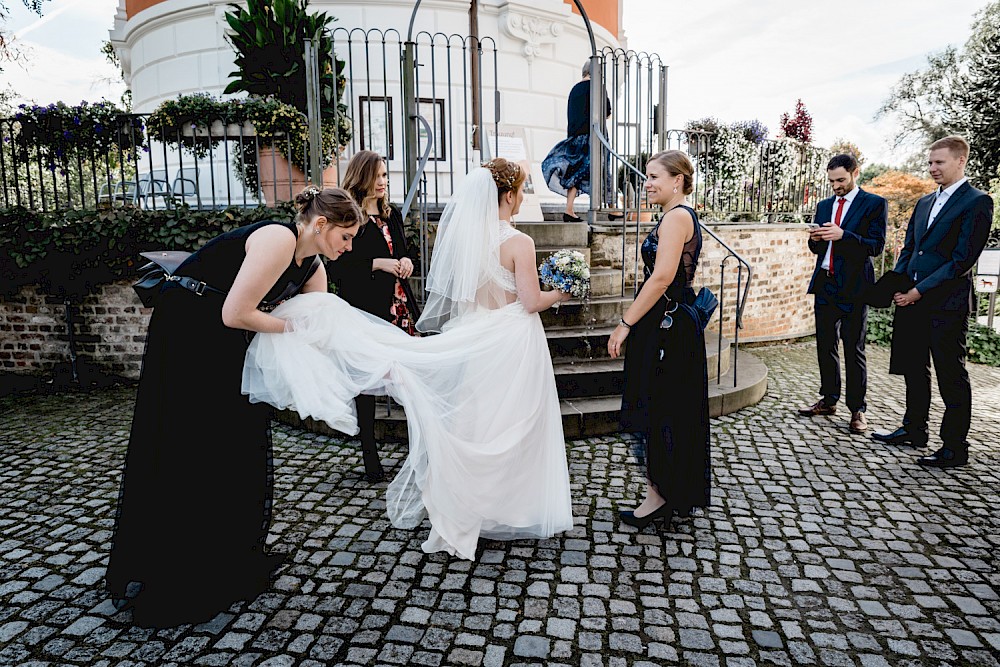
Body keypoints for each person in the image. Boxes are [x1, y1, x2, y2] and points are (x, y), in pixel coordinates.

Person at [242, 158, 575, 560]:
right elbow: (530, 301)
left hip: (475, 334)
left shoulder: (471, 238)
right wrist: (565, 291)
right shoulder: (520, 243)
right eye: (522, 190)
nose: (523, 197)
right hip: (512, 340)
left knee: (477, 425)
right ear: (509, 194)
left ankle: (469, 509)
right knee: (516, 422)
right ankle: (511, 507)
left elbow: (466, 298)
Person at [105, 187, 364, 627]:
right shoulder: (278, 239)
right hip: (189, 330)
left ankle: (227, 553)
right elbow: (236, 312)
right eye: (347, 236)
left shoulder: (313, 266)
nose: (349, 246)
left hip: (226, 342)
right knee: (194, 442)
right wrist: (291, 329)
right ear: (321, 225)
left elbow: (319, 318)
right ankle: (175, 564)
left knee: (238, 441)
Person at [872, 135, 993, 468]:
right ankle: (914, 430)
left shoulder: (977, 201)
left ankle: (954, 447)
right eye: (929, 162)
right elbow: (910, 249)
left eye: (939, 162)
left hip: (947, 304)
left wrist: (919, 291)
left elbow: (961, 260)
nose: (932, 168)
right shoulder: (924, 202)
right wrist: (897, 284)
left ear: (960, 161)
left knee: (950, 375)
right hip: (911, 300)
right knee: (914, 368)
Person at [608, 150, 710, 530]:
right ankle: (666, 491)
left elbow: (662, 277)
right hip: (670, 322)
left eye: (653, 177)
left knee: (662, 407)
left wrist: (625, 323)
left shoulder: (677, 218)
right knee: (667, 406)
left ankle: (659, 497)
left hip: (668, 325)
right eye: (647, 176)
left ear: (677, 180)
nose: (647, 183)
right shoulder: (676, 216)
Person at [329, 150, 421, 482]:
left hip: (400, 307)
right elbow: (336, 267)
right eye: (378, 175)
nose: (383, 181)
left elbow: (405, 251)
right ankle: (370, 456)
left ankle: (421, 452)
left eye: (385, 176)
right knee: (366, 384)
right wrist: (378, 264)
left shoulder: (391, 214)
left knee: (412, 379)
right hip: (364, 310)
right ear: (363, 176)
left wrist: (407, 261)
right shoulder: (347, 216)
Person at [798, 154, 887, 434]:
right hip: (825, 282)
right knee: (825, 345)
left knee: (853, 348)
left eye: (840, 180)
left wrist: (843, 235)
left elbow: (876, 246)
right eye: (831, 181)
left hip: (855, 288)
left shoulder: (874, 204)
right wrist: (815, 240)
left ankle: (858, 410)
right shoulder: (824, 206)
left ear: (854, 173)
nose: (835, 186)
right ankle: (828, 399)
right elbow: (819, 249)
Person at [541, 60, 613, 222]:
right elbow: (607, 113)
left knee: (576, 172)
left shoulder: (574, 89)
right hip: (594, 137)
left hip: (575, 136)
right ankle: (612, 208)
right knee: (603, 170)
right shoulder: (597, 88)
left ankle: (569, 209)